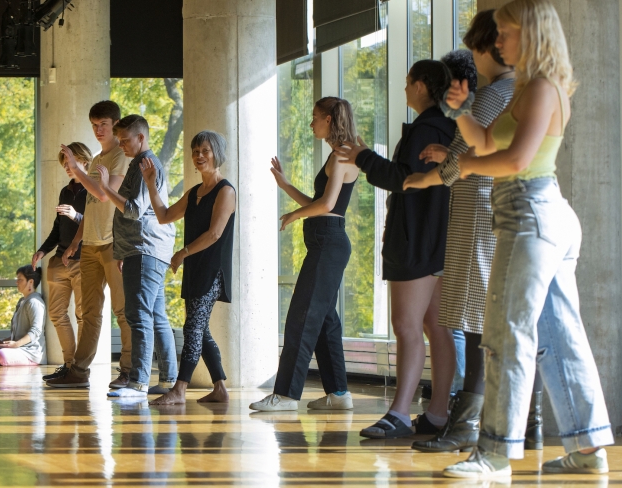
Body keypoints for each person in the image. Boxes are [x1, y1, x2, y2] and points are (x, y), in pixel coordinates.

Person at [439, 0, 614, 478]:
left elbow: (513, 161)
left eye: (505, 33)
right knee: (558, 339)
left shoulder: (541, 88)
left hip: (528, 213)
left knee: (505, 336)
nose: (498, 42)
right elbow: (484, 141)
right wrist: (456, 111)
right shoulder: (527, 88)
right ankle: (589, 448)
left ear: (532, 33)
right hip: (536, 214)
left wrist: (468, 168)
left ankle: (495, 453)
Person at [403, 11, 522, 453]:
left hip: (478, 217)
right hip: (490, 214)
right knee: (479, 321)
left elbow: (465, 157)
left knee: (475, 322)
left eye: (476, 48)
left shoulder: (496, 95)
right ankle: (476, 421)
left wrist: (424, 177)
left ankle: (466, 425)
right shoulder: (512, 92)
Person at [335, 58, 461, 437]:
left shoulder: (426, 129)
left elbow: (406, 179)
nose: (405, 89)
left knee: (406, 325)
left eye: (408, 82)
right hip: (438, 238)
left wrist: (363, 157)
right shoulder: (447, 127)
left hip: (416, 238)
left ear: (422, 85)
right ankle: (438, 413)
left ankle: (401, 413)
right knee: (435, 326)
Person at [249, 97, 360, 412]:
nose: (311, 123)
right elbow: (320, 200)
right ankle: (338, 393)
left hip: (328, 242)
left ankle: (285, 395)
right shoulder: (338, 155)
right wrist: (285, 186)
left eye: (315, 118)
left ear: (328, 119)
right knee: (324, 320)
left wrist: (294, 215)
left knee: (301, 316)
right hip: (325, 242)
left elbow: (325, 206)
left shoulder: (341, 156)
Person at [138, 130, 235, 405]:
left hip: (212, 269)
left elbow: (215, 233)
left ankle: (179, 389)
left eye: (205, 150)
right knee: (199, 329)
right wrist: (151, 185)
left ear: (216, 153)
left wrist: (182, 253)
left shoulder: (225, 190)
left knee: (193, 327)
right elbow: (165, 215)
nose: (199, 155)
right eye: (195, 151)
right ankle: (220, 388)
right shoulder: (194, 193)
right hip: (194, 267)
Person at [46, 101, 132, 389]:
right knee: (89, 314)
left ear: (115, 125)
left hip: (113, 244)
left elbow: (105, 194)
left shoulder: (120, 156)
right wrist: (73, 245)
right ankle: (79, 372)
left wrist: (76, 169)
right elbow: (93, 206)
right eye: (94, 124)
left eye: (103, 124)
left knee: (122, 310)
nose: (97, 130)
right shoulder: (96, 161)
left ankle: (129, 372)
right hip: (90, 245)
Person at [98, 114, 177, 398]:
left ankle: (138, 383)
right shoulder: (139, 164)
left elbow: (133, 209)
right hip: (142, 249)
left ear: (140, 138)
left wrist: (107, 188)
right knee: (155, 315)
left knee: (138, 314)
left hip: (145, 249)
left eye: (125, 140)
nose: (121, 145)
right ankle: (168, 380)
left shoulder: (146, 164)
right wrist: (122, 250)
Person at [32, 142, 89, 380]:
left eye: (71, 160)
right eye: (64, 162)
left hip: (84, 261)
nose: (67, 166)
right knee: (56, 314)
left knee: (84, 317)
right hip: (59, 261)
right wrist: (43, 251)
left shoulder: (94, 190)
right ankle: (69, 365)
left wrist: (75, 215)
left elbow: (96, 225)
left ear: (85, 160)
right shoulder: (66, 191)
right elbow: (58, 227)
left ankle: (80, 370)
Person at [0, 265, 45, 366]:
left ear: (30, 282)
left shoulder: (35, 302)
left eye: (20, 279)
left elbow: (36, 331)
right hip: (16, 348)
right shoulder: (21, 302)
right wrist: (2, 341)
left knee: (1, 354)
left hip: (30, 353)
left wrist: (16, 344)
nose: (16, 282)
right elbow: (18, 334)